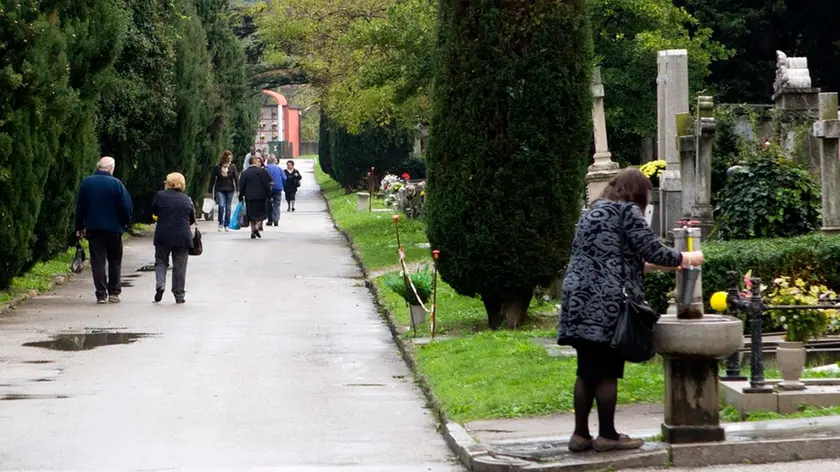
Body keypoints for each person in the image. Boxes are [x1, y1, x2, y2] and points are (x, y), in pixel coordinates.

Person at [557, 168, 704, 454]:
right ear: (639, 194)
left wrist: (657, 266)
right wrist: (686, 257)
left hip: (578, 301)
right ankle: (609, 436)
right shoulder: (627, 211)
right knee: (608, 371)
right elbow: (651, 249)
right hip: (607, 305)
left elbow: (614, 258)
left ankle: (580, 435)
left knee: (587, 370)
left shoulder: (592, 212)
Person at [75, 157, 133, 304]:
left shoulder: (87, 183)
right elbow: (125, 207)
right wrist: (126, 223)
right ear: (111, 168)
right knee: (114, 260)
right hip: (114, 230)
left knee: (98, 261)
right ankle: (114, 292)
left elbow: (80, 207)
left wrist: (80, 227)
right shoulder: (117, 184)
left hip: (94, 228)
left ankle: (101, 294)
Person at [152, 173, 196, 304]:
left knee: (160, 260)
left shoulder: (160, 196)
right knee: (180, 266)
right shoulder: (186, 199)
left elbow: (154, 211)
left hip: (163, 234)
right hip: (182, 236)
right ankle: (179, 294)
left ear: (168, 183)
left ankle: (160, 284)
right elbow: (192, 218)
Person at [239, 155, 273, 239]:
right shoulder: (263, 172)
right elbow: (267, 185)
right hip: (261, 196)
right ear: (254, 162)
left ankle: (253, 229)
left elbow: (241, 186)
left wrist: (240, 196)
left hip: (249, 197)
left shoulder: (244, 173)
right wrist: (270, 196)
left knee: (251, 215)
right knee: (261, 215)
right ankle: (256, 228)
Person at [208, 150, 239, 232]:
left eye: (231, 158)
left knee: (228, 207)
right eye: (228, 158)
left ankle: (226, 224)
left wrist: (238, 190)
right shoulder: (218, 167)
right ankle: (220, 223)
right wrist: (210, 191)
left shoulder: (232, 167)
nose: (230, 160)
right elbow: (212, 179)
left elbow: (236, 178)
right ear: (224, 158)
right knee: (221, 205)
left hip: (230, 189)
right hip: (220, 189)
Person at [265, 156, 287, 226]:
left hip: (268, 189)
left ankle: (270, 220)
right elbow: (284, 178)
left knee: (268, 204)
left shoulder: (265, 168)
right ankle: (276, 219)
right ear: (274, 161)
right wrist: (282, 185)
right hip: (278, 189)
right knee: (277, 205)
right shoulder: (279, 168)